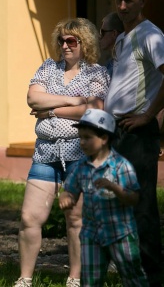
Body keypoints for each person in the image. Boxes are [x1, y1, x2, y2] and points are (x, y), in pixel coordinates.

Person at [15, 18, 110, 287]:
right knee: (29, 217)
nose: (65, 45)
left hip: (79, 153)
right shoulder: (47, 67)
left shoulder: (96, 73)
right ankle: (24, 279)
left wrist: (53, 110)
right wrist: (73, 100)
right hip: (46, 151)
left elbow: (95, 109)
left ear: (85, 43)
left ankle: (75, 278)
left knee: (76, 218)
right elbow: (33, 99)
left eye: (72, 41)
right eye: (62, 40)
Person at [104, 0, 164, 286]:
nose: (123, 6)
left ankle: (153, 276)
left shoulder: (150, 34)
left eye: (129, 0)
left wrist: (148, 116)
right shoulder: (125, 37)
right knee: (120, 202)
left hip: (137, 132)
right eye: (119, 0)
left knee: (141, 204)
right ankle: (132, 272)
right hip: (118, 130)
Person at [59, 109, 148, 286]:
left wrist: (115, 188)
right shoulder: (81, 167)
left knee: (133, 276)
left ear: (104, 138)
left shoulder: (121, 166)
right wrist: (66, 198)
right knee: (91, 280)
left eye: (88, 138)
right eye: (80, 137)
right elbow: (70, 190)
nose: (82, 142)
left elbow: (134, 198)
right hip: (92, 235)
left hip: (120, 234)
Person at [99, 12, 124, 77]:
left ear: (114, 33)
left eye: (102, 32)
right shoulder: (109, 63)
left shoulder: (125, 63)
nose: (99, 36)